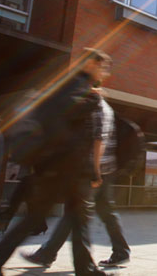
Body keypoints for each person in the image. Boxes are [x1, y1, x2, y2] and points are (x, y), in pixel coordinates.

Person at [0, 49, 111, 276]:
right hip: (60, 166)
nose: (105, 72)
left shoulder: (77, 85)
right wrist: (93, 99)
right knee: (37, 219)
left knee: (78, 219)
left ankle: (86, 270)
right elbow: (61, 115)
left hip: (68, 166)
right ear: (90, 63)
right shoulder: (74, 85)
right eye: (102, 66)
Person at [21, 90, 131, 268]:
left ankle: (47, 254)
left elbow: (99, 140)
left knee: (74, 212)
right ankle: (121, 251)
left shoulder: (98, 109)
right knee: (106, 212)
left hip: (95, 171)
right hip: (106, 169)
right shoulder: (107, 108)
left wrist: (95, 171)